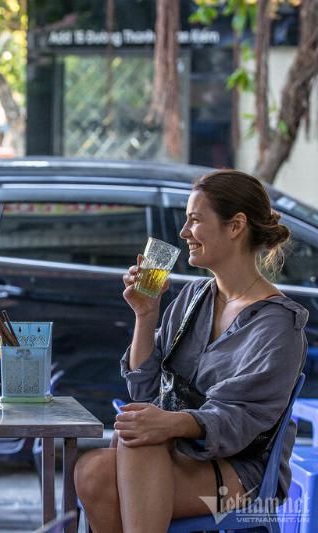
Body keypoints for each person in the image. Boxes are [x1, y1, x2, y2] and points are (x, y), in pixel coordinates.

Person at [74, 170, 308, 533]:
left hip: (243, 481)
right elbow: (145, 393)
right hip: (176, 455)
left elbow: (237, 422)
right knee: (91, 470)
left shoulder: (278, 325)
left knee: (139, 444)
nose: (183, 233)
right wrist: (145, 314)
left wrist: (169, 424)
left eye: (195, 220)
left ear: (236, 226)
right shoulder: (192, 299)